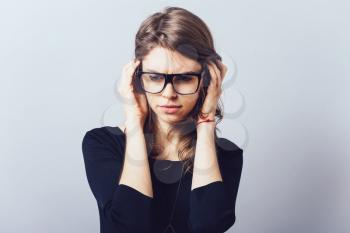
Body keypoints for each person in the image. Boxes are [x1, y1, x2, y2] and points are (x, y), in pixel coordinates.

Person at [82, 6, 243, 233]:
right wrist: (135, 122)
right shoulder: (102, 144)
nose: (169, 93)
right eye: (155, 77)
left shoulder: (226, 155)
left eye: (185, 78)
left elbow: (208, 226)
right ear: (137, 79)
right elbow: (129, 227)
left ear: (206, 81)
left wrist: (206, 122)